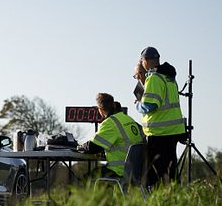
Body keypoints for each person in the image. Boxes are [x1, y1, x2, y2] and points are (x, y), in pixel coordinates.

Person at [135, 46, 186, 187]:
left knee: (155, 175)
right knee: (170, 173)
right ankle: (174, 200)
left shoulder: (154, 78)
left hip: (159, 134)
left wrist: (138, 104)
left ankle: (157, 203)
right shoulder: (169, 78)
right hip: (173, 131)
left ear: (145, 61)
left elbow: (150, 106)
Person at [77, 93, 145, 178]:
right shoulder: (128, 119)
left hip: (119, 170)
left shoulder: (110, 123)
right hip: (136, 171)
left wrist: (79, 147)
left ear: (100, 110)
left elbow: (93, 147)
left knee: (85, 179)